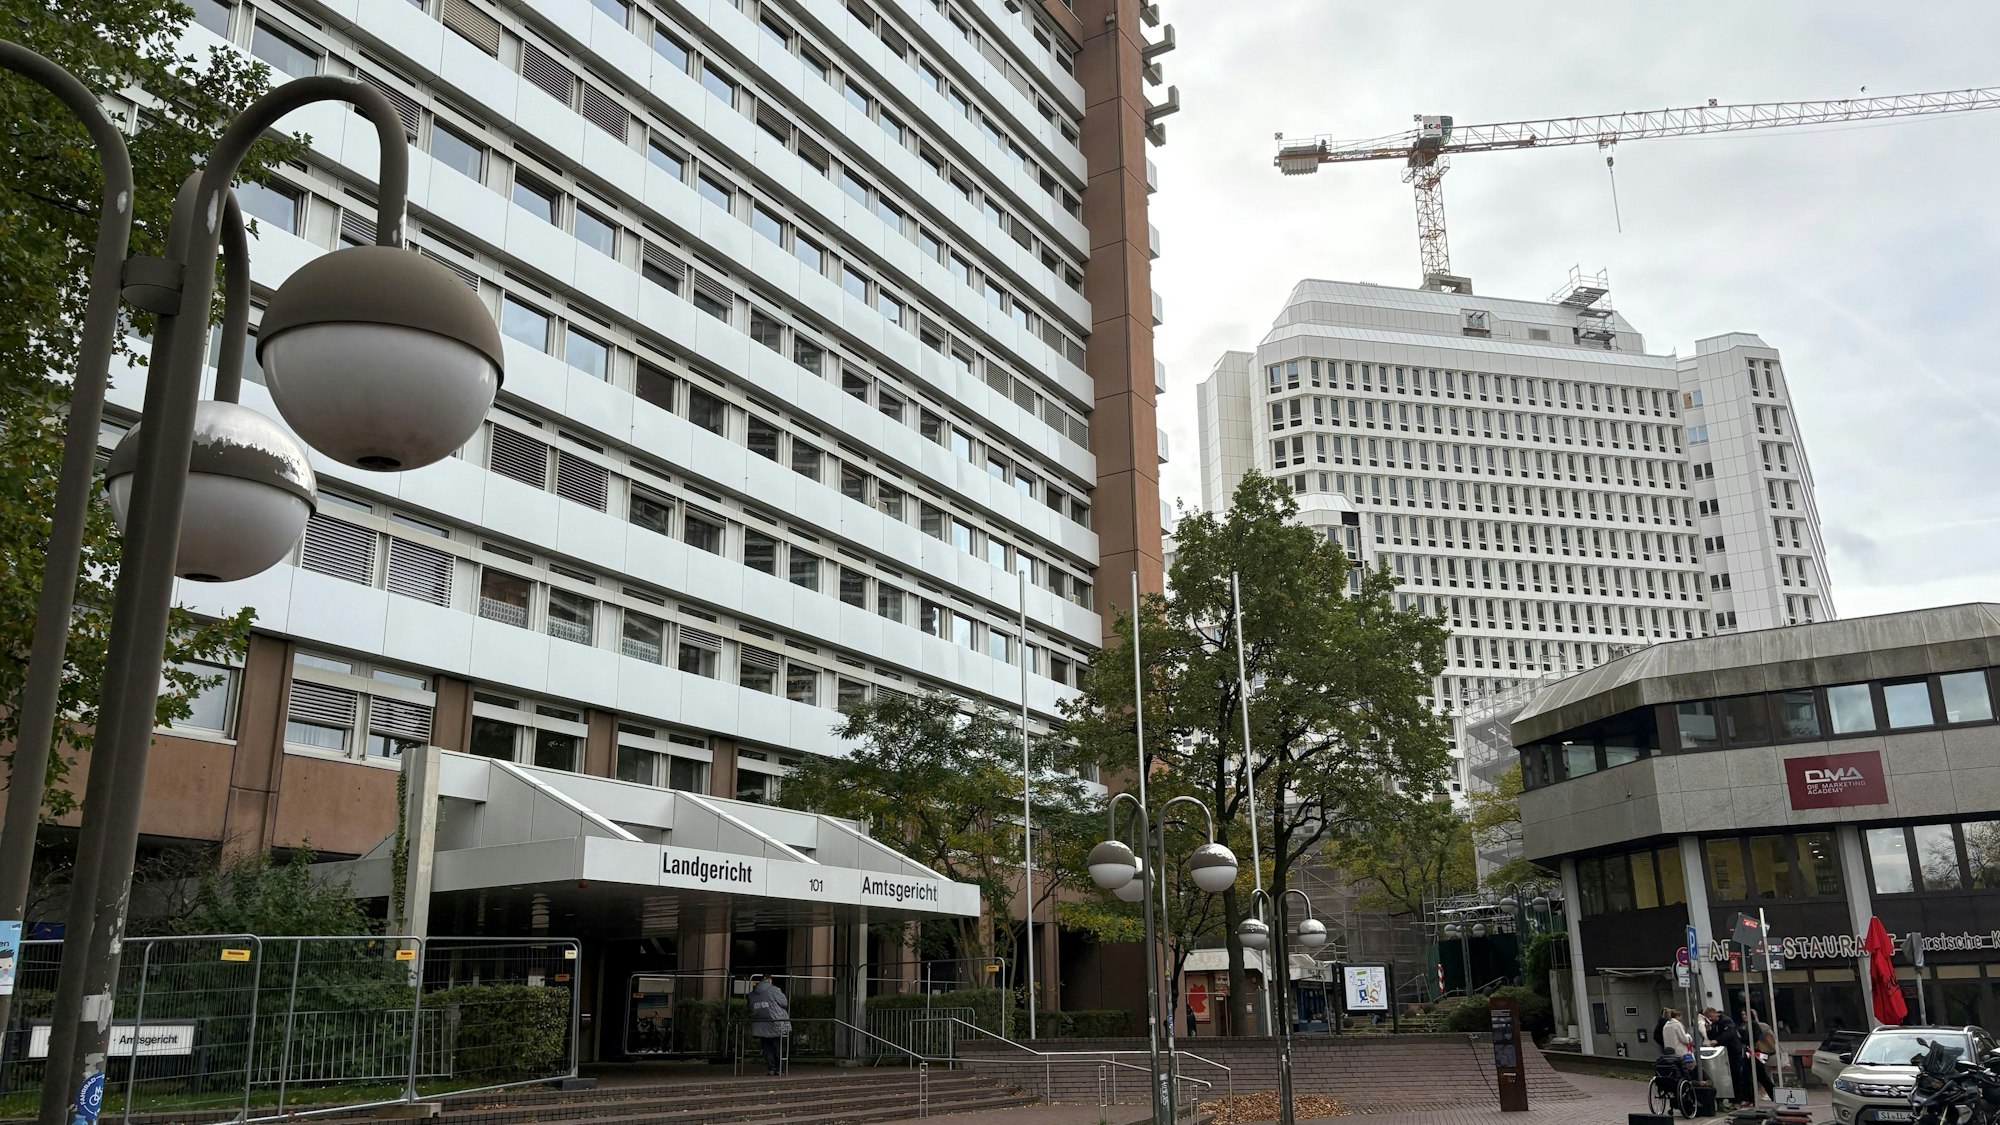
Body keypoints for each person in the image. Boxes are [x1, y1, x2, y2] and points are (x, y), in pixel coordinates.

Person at [746, 973, 791, 1077]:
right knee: (777, 1046)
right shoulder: (774, 990)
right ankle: (780, 1069)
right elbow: (784, 1003)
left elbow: (749, 1007)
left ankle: (771, 1068)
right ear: (769, 980)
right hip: (776, 1023)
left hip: (760, 1024)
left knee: (767, 1048)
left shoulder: (752, 994)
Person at [1704, 1006, 1750, 1108]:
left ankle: (1737, 1099)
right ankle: (1729, 1098)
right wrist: (1708, 1031)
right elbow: (1713, 1035)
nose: (1710, 1019)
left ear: (1715, 1013)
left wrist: (1717, 1040)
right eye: (1708, 1017)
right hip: (1721, 1052)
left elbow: (1729, 1033)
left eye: (1711, 1016)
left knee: (1736, 1074)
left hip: (1733, 1050)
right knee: (1725, 1076)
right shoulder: (1713, 1024)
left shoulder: (1726, 1020)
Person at [1741, 1009, 1778, 1099]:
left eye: (1746, 1014)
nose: (1744, 1016)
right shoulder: (1744, 1026)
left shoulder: (1755, 1025)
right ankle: (1751, 1097)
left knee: (1762, 1075)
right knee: (1751, 1075)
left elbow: (1755, 1038)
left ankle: (1773, 1094)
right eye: (1742, 1014)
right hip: (1750, 1052)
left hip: (1757, 1053)